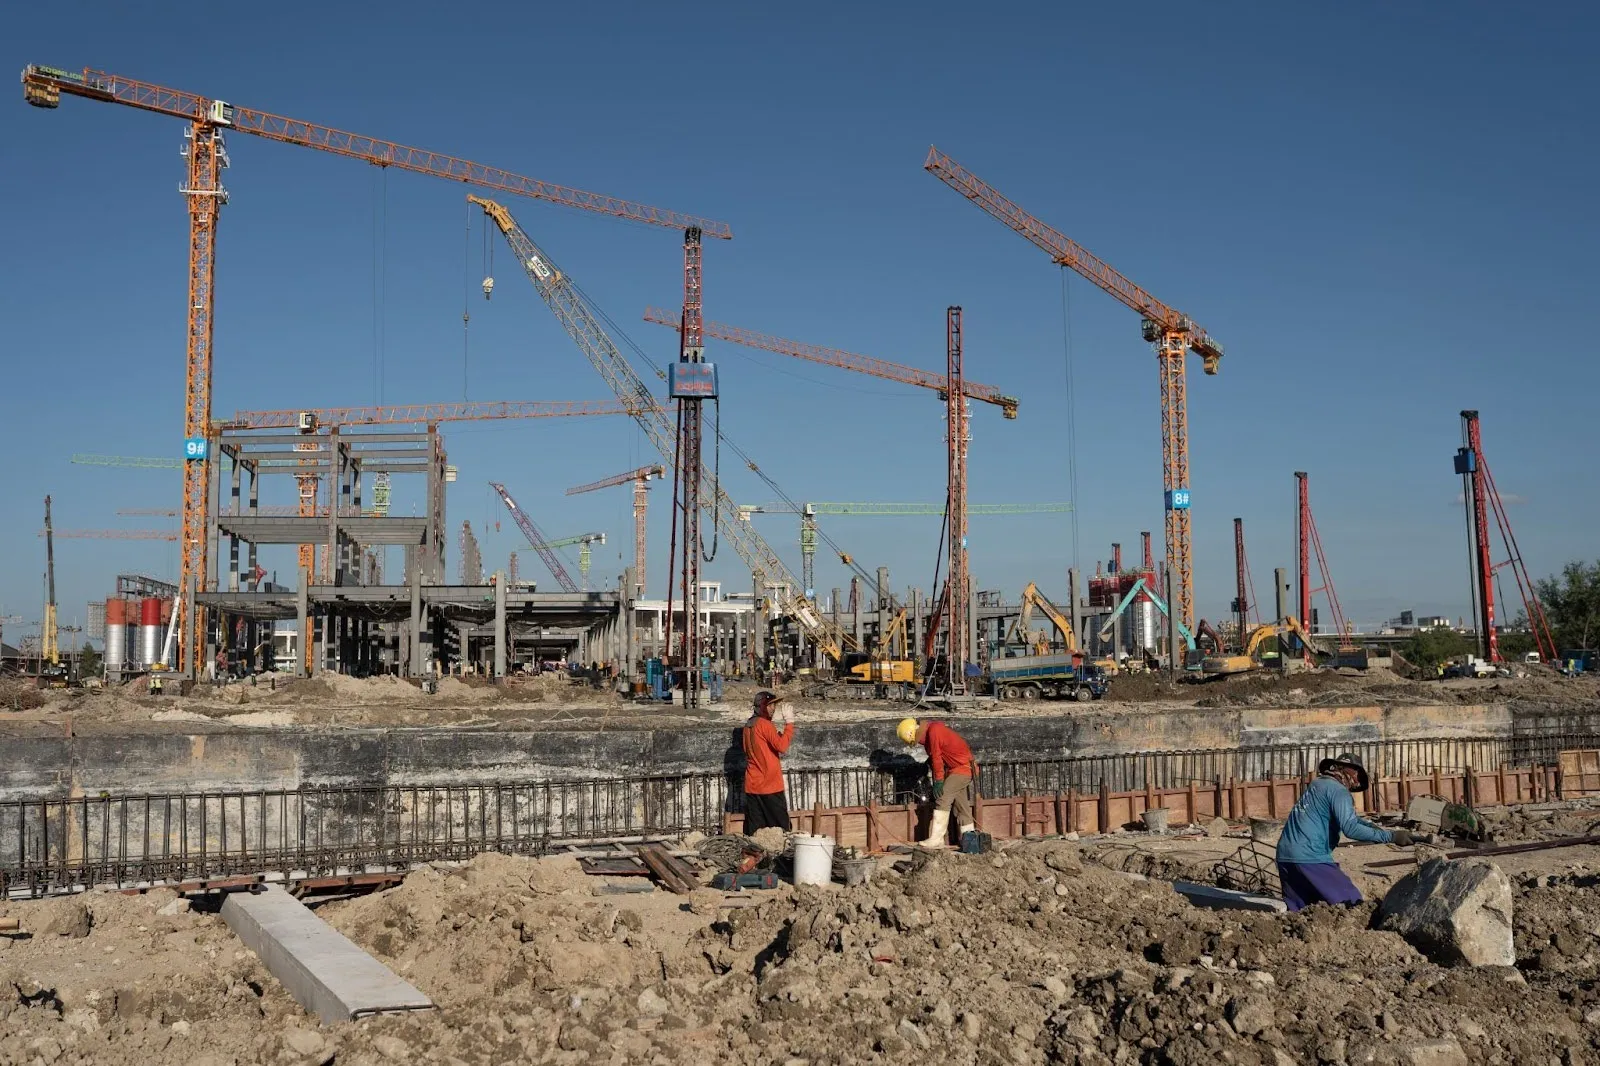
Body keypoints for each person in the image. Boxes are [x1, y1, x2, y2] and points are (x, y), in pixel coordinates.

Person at [1276, 752, 1412, 911]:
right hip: (1310, 857)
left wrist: (1371, 827)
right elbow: (1351, 828)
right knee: (1352, 904)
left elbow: (1351, 819)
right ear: (1347, 771)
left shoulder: (1318, 785)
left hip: (1284, 856)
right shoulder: (1339, 791)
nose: (1356, 781)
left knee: (1303, 911)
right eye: (1356, 774)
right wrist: (1391, 836)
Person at [897, 717, 976, 848]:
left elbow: (937, 757)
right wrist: (928, 764)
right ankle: (970, 842)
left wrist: (939, 781)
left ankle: (937, 839)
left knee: (942, 798)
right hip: (957, 769)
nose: (919, 743)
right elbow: (939, 754)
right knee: (961, 806)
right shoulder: (931, 731)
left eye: (916, 740)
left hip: (962, 769)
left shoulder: (934, 731)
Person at [742, 691, 795, 834]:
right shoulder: (765, 725)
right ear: (763, 706)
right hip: (770, 786)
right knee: (782, 830)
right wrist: (789, 723)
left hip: (752, 786)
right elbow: (782, 746)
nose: (774, 708)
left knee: (756, 831)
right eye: (771, 705)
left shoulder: (748, 726)